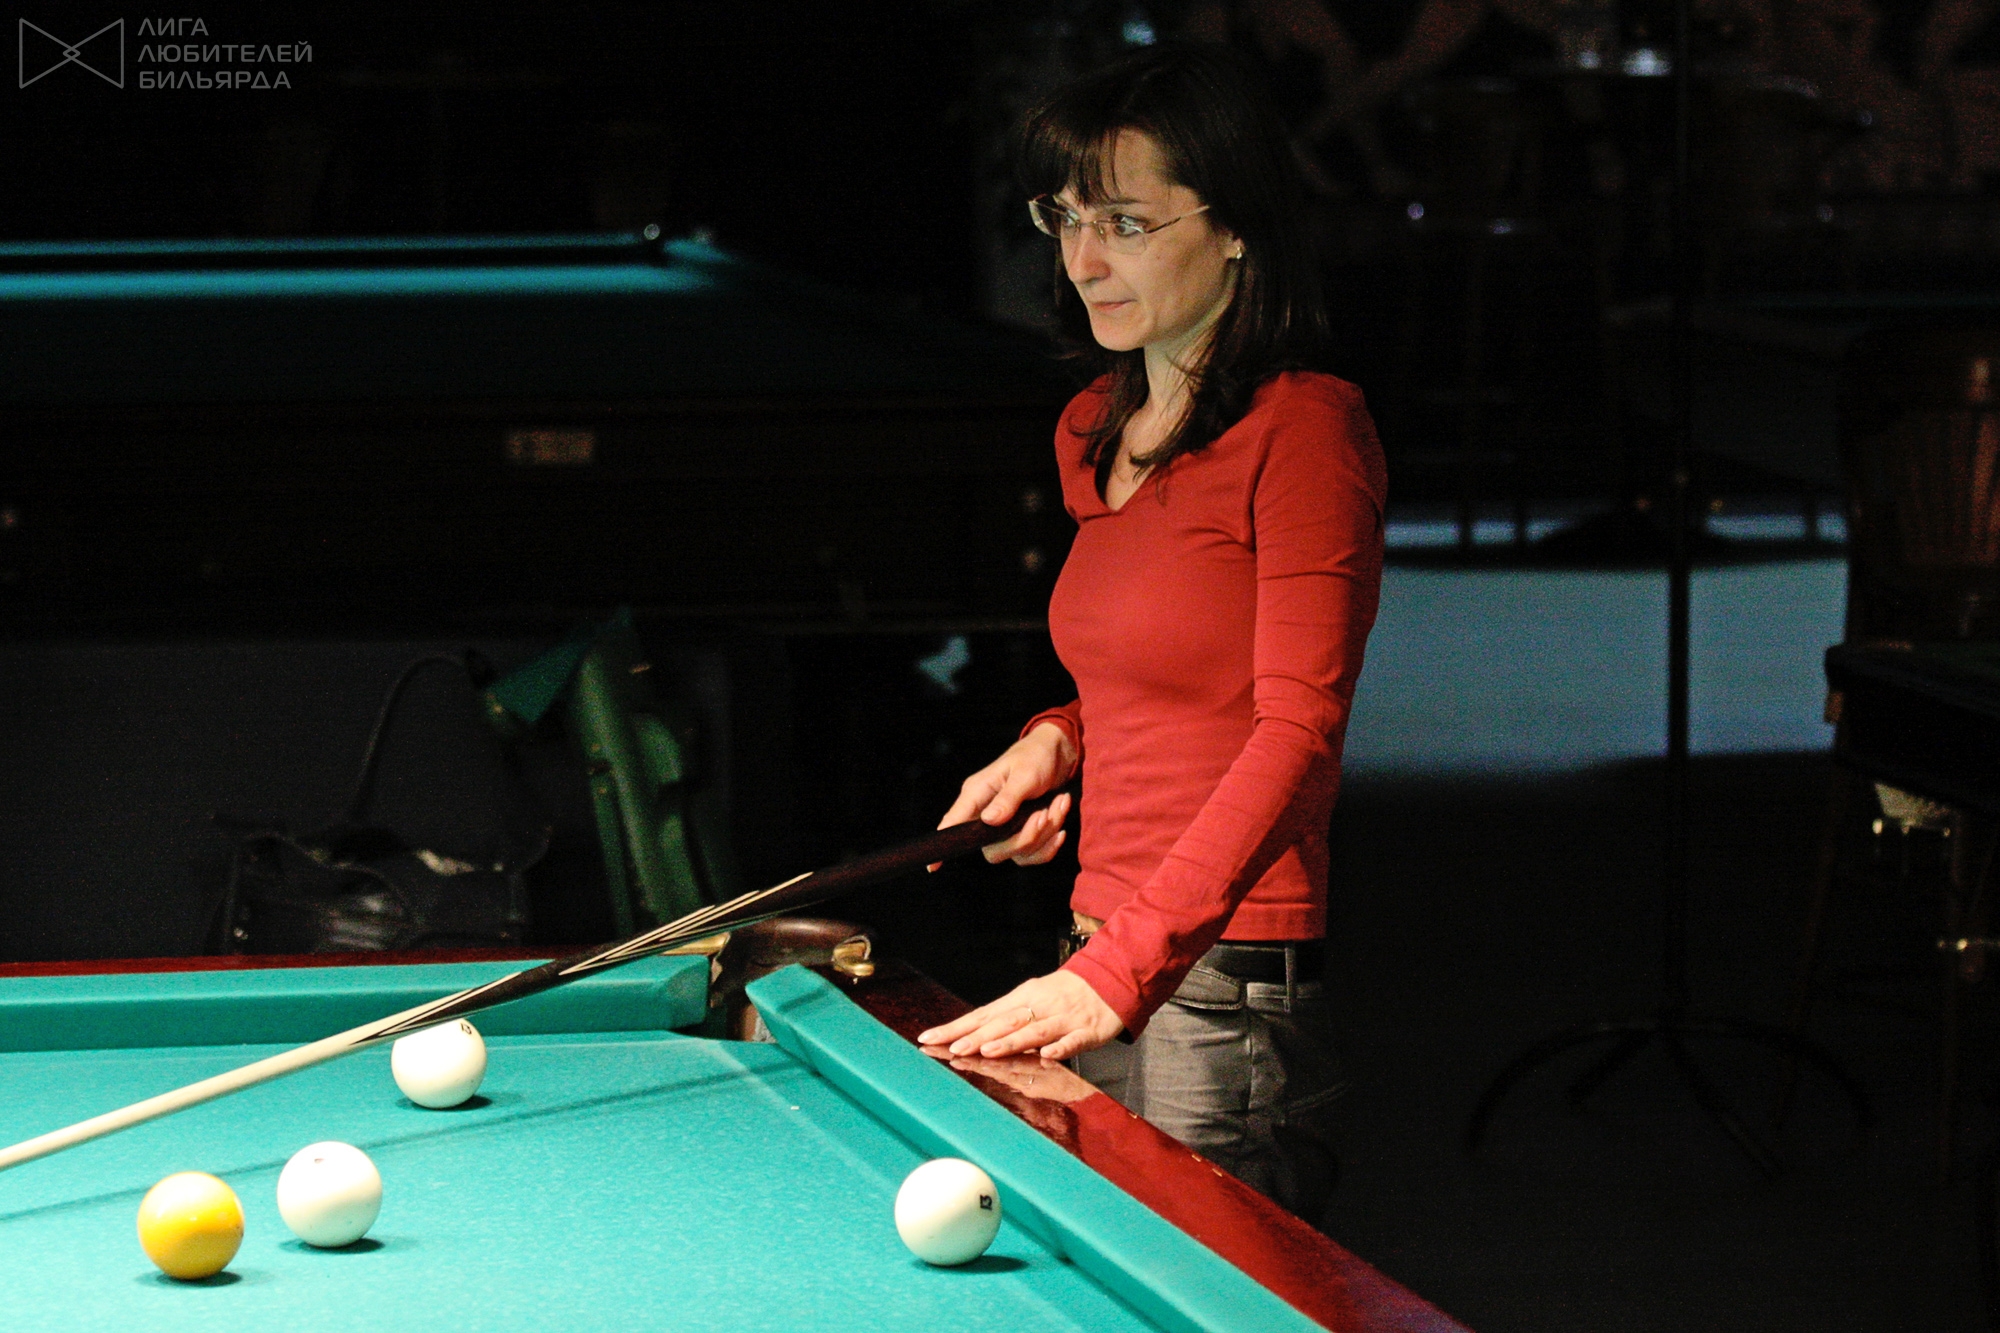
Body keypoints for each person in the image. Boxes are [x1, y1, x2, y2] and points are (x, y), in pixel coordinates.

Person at [914, 43, 1388, 1221]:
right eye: (1066, 219)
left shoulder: (1305, 430)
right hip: (1098, 943)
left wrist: (1118, 972)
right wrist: (1057, 738)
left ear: (1235, 229)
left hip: (1217, 986)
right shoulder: (1091, 427)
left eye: (1124, 222)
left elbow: (1297, 731)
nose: (1082, 260)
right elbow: (1165, 665)